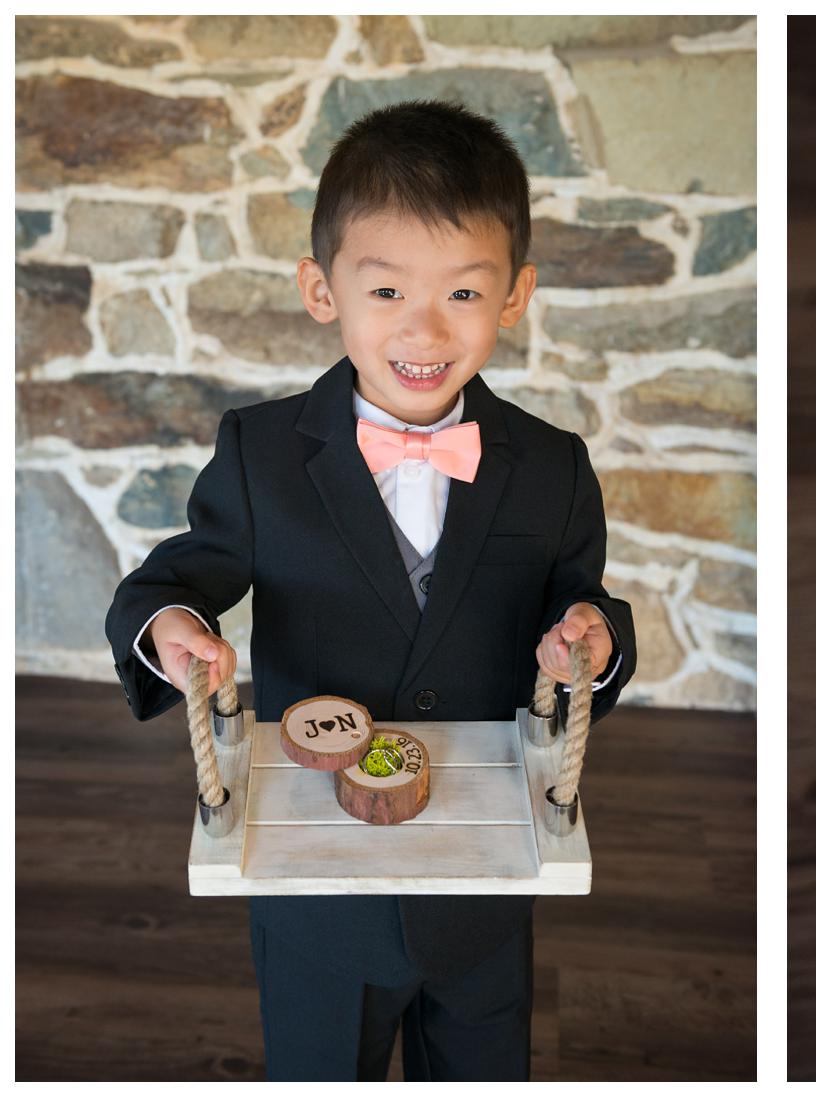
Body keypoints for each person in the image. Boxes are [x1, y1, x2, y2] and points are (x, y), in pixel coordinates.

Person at [104, 101, 638, 1079]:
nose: (425, 327)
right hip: (318, 892)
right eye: (387, 288)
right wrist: (174, 625)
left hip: (483, 884)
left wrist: (589, 637)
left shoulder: (554, 465)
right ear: (322, 288)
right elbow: (172, 580)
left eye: (465, 293)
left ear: (515, 294)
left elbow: (584, 602)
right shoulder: (261, 453)